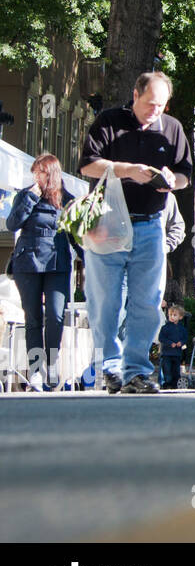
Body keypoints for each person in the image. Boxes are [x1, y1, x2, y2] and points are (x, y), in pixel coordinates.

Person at [80, 71, 193, 394]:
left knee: (146, 302)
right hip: (108, 223)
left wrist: (174, 180)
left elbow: (186, 174)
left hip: (151, 224)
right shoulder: (109, 121)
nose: (154, 111)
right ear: (135, 95)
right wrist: (126, 170)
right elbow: (87, 165)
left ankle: (137, 371)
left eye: (161, 105)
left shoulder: (171, 129)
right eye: (149, 104)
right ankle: (109, 367)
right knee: (106, 302)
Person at [6, 153, 80, 391]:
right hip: (27, 262)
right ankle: (36, 370)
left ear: (52, 174)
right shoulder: (25, 195)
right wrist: (29, 198)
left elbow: (75, 235)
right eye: (35, 172)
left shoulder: (67, 199)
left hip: (57, 263)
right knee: (33, 318)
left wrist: (93, 259)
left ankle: (53, 363)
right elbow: (12, 224)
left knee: (56, 315)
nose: (36, 176)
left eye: (41, 172)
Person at [158, 304, 188, 389]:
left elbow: (185, 338)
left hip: (177, 353)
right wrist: (170, 343)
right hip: (167, 352)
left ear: (180, 317)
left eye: (174, 315)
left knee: (176, 369)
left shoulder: (182, 329)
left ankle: (175, 383)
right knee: (166, 369)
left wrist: (181, 342)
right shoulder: (165, 327)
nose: (172, 317)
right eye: (170, 315)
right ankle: (167, 383)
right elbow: (161, 338)